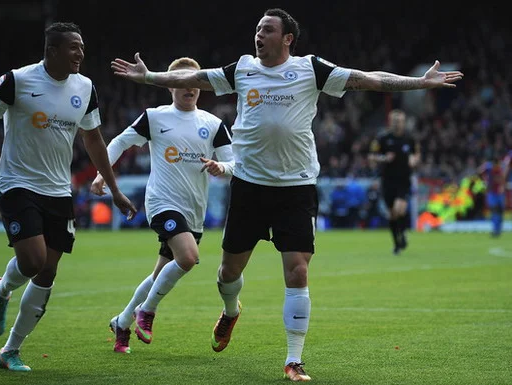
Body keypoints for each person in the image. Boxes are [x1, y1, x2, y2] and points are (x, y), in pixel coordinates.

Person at [108, 8, 463, 381]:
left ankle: (294, 359)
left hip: (296, 187)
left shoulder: (312, 69)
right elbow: (195, 77)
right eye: (257, 29)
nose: (258, 35)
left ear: (287, 38)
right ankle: (230, 312)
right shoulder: (242, 68)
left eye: (267, 30)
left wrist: (419, 83)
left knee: (297, 271)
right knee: (229, 273)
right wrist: (149, 77)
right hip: (249, 186)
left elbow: (368, 79)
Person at [0, 22, 137, 372]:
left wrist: (114, 188)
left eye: (82, 47)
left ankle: (10, 351)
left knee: (47, 273)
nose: (80, 53)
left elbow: (93, 140)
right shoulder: (18, 80)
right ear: (52, 51)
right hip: (17, 183)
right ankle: (2, 289)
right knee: (32, 262)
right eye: (73, 47)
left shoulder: (85, 87)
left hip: (58, 190)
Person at [90, 57, 234, 353]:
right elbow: (119, 141)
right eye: (182, 82)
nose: (189, 88)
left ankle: (122, 321)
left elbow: (235, 161)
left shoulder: (213, 124)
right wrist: (101, 175)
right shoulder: (154, 117)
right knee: (188, 258)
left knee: (160, 273)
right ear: (170, 86)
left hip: (194, 209)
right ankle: (147, 311)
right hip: (162, 202)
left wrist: (223, 168)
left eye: (195, 82)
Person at [369, 109, 421, 255]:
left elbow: (417, 154)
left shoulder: (409, 138)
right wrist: (384, 158)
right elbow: (371, 157)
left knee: (400, 209)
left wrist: (414, 160)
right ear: (390, 122)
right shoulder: (382, 138)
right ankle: (397, 243)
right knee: (392, 214)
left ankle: (403, 233)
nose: (397, 124)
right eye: (395, 121)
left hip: (404, 179)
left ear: (404, 122)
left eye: (400, 121)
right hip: (388, 180)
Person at [477, 151, 511, 237]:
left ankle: (498, 230)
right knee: (495, 211)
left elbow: (503, 178)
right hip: (492, 193)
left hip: (499, 193)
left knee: (499, 212)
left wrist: (502, 186)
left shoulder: (501, 167)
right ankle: (496, 230)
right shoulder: (489, 166)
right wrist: (484, 181)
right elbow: (479, 172)